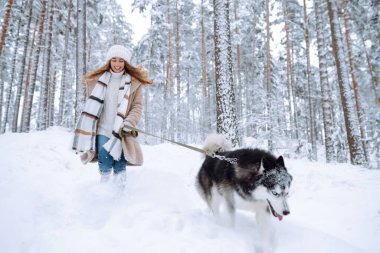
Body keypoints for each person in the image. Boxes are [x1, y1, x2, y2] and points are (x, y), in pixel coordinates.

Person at [72, 45, 152, 185]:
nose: (117, 64)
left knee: (120, 162)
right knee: (104, 158)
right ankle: (104, 189)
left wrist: (129, 123)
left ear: (126, 63)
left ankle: (119, 193)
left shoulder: (134, 83)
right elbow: (91, 105)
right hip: (102, 128)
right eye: (114, 60)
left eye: (121, 60)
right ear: (109, 61)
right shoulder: (96, 81)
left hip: (122, 129)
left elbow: (137, 107)